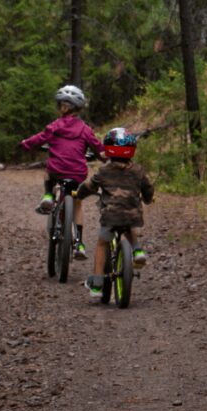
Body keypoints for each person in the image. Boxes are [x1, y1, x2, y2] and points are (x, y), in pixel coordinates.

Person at [19, 85, 105, 260]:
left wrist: (25, 144)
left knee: (48, 171)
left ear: (60, 106)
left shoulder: (55, 126)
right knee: (78, 203)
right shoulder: (85, 129)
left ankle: (49, 195)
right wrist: (105, 157)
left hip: (57, 170)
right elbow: (98, 148)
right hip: (77, 174)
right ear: (79, 108)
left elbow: (40, 138)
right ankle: (79, 243)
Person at [75, 127, 154, 298]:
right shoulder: (138, 170)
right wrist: (147, 199)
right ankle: (138, 251)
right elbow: (148, 188)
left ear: (108, 149)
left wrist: (79, 195)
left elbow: (89, 186)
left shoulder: (105, 171)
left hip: (110, 217)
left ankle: (96, 284)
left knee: (102, 244)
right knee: (131, 227)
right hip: (133, 215)